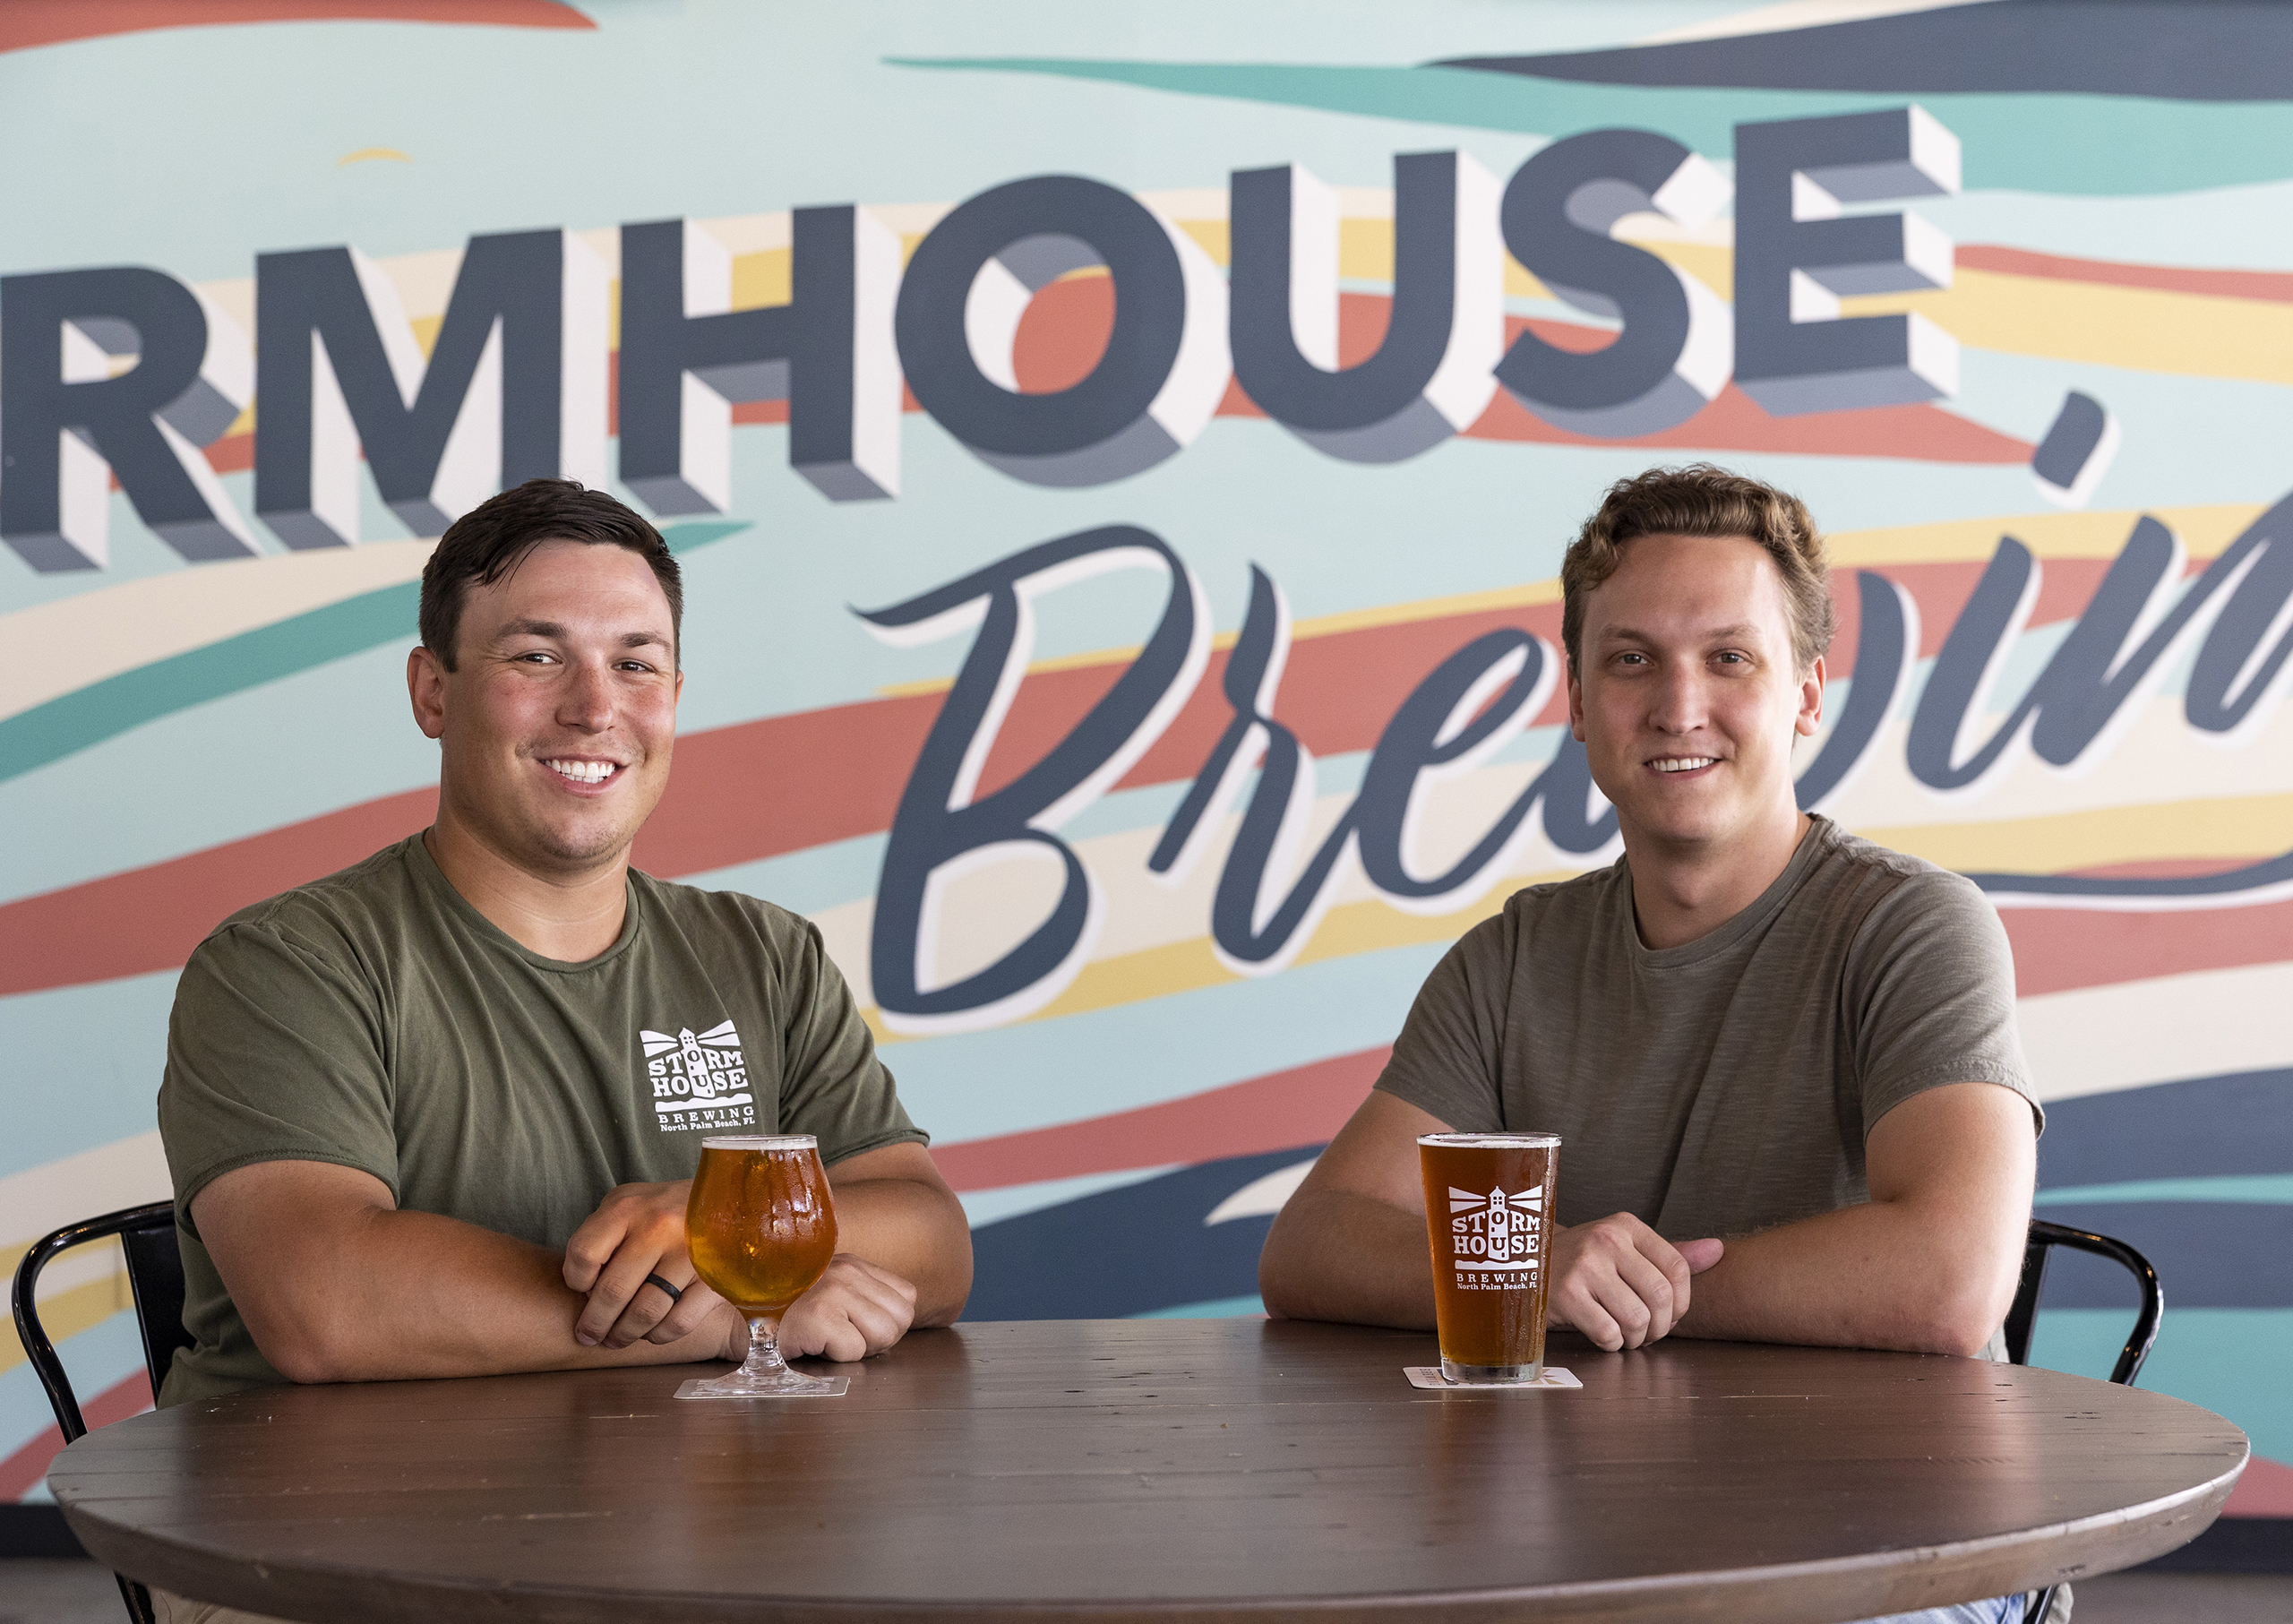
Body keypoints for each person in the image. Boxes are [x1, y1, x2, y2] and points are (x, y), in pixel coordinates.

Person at [1259, 465, 2045, 1624]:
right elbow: (1312, 1247)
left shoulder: (1914, 925)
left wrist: (1621, 1295)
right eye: (1632, 660)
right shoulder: (1513, 957)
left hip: (1888, 1543)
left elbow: (1949, 1279)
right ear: (1578, 702)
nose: (1679, 705)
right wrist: (1539, 1270)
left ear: (1807, 695)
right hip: (1590, 1534)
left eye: (1730, 657)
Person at [157, 478, 973, 1417]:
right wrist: (738, 1315)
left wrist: (715, 1221)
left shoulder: (766, 954)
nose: (594, 708)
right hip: (314, 1539)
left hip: (670, 1528)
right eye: (538, 656)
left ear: (674, 697)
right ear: (432, 690)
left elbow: (932, 1241)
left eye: (637, 664)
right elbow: (324, 1303)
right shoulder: (287, 963)